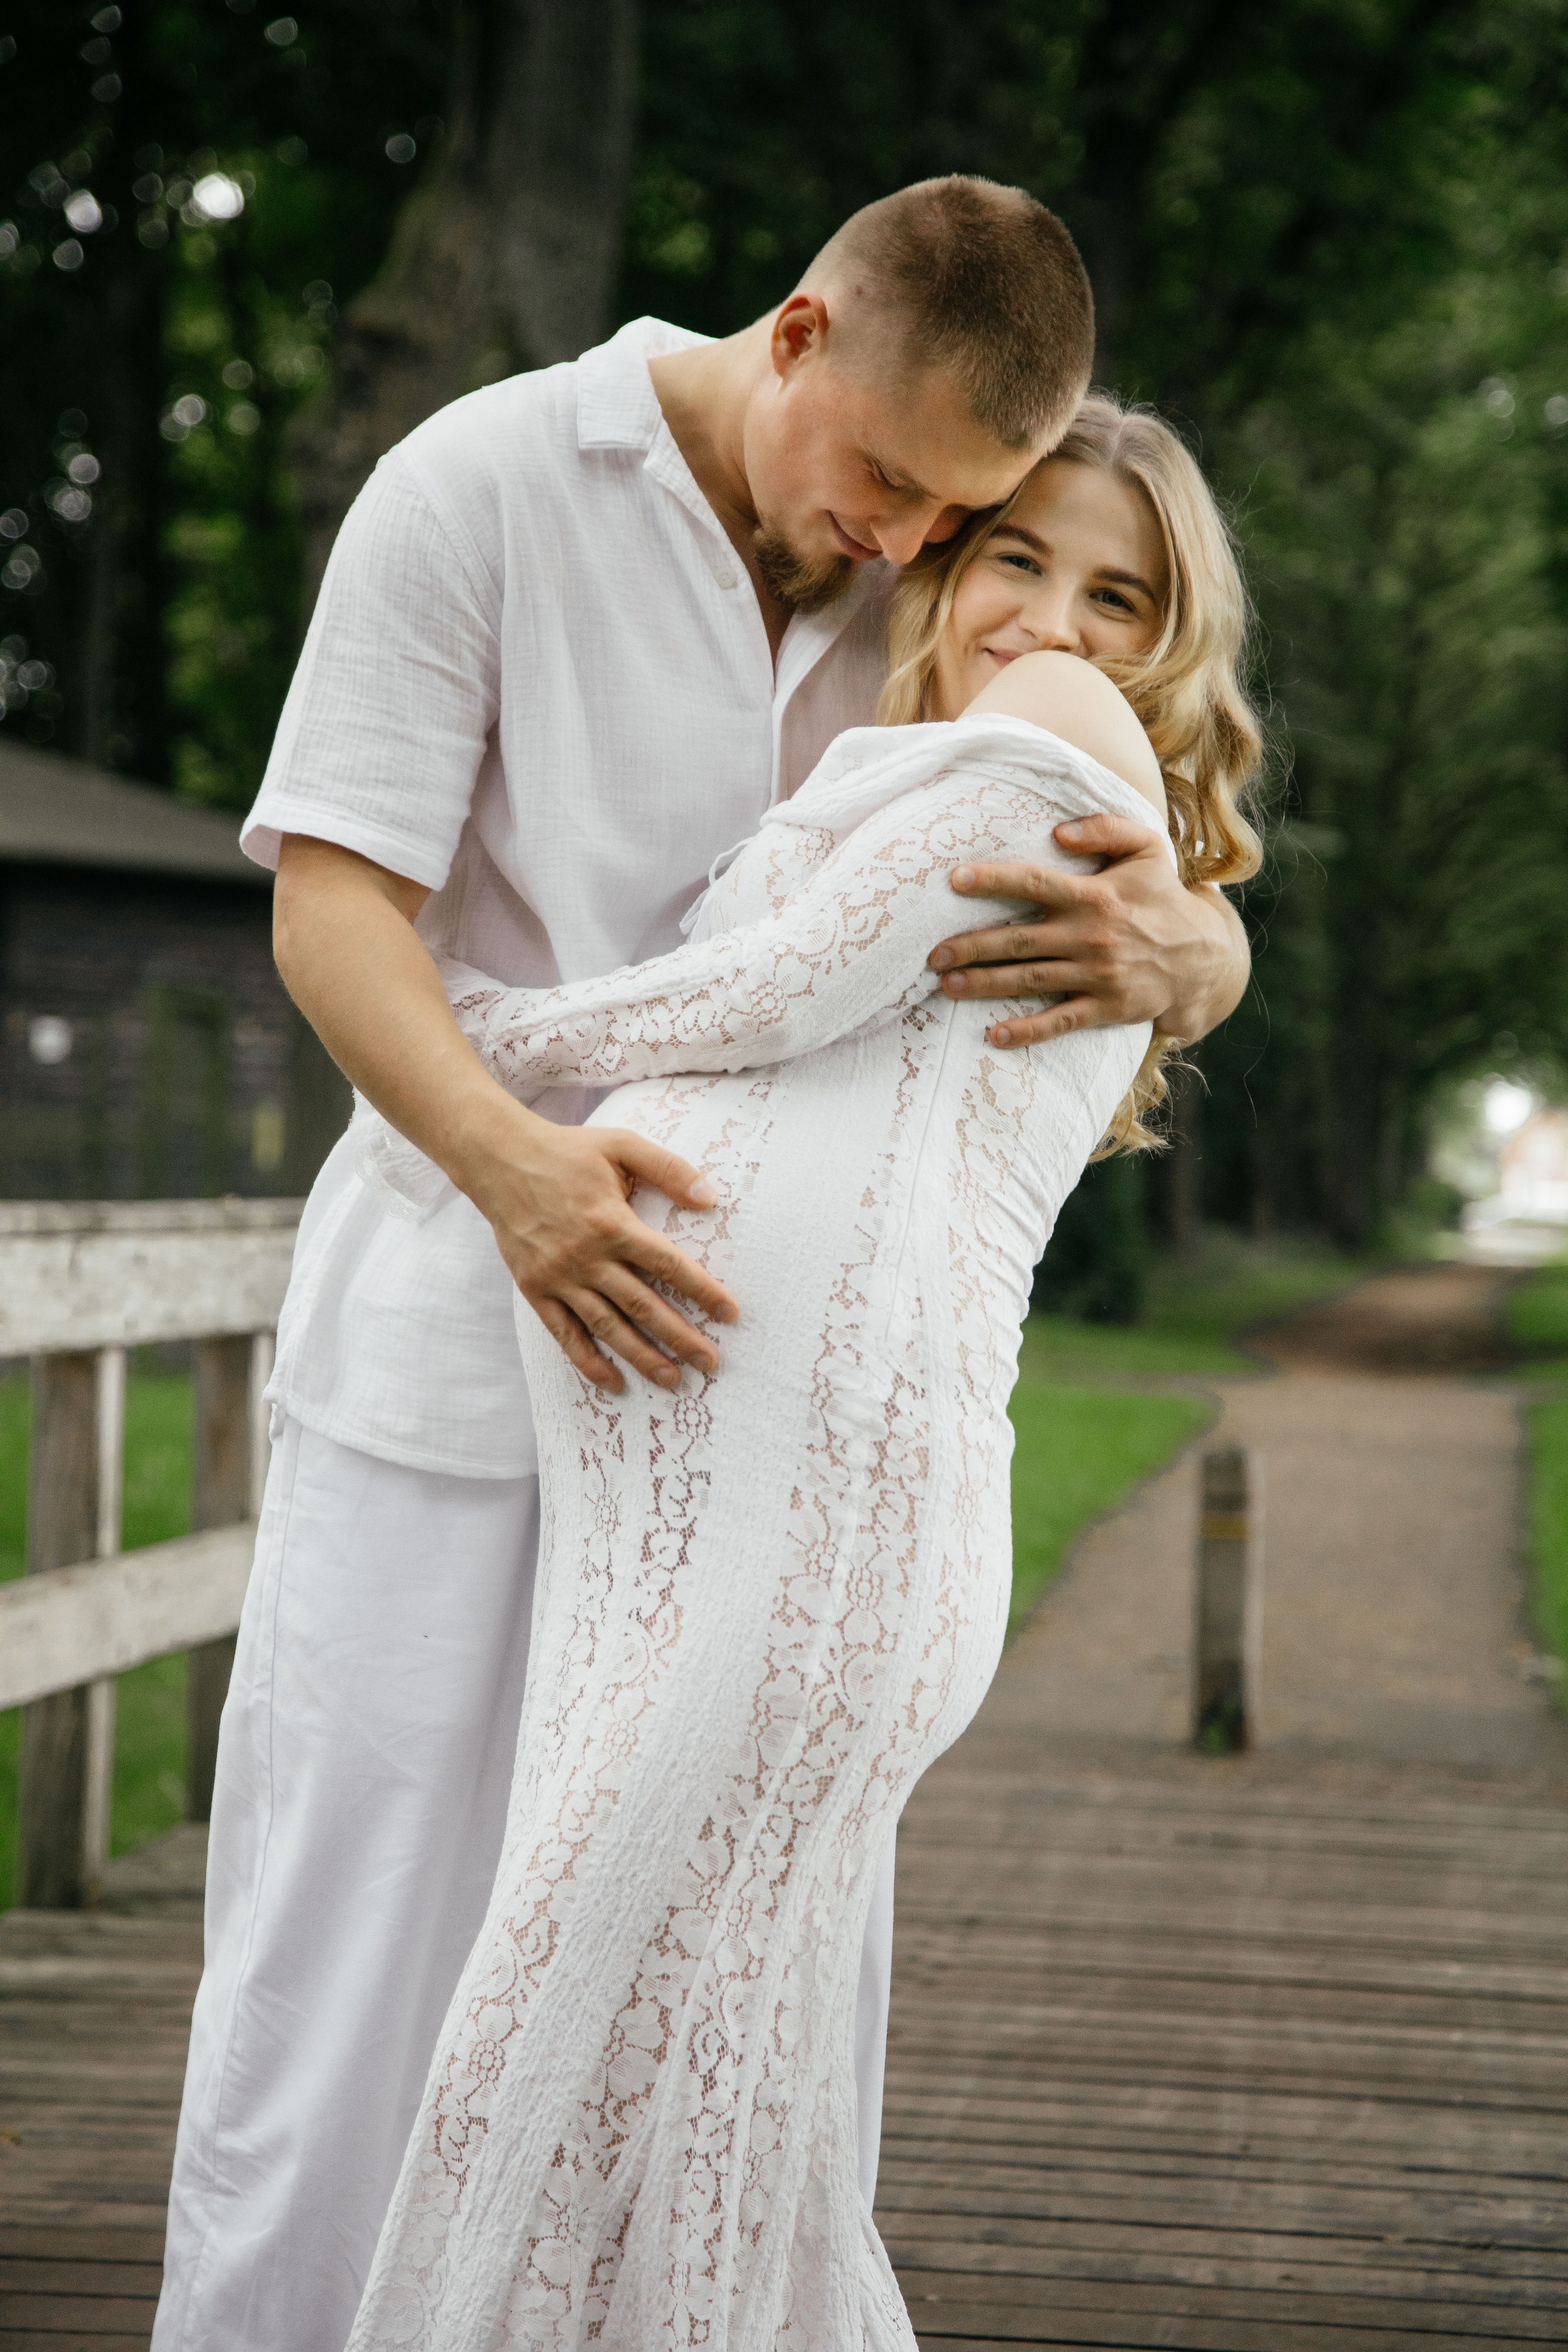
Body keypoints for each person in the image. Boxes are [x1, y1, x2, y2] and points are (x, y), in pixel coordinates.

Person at [153, 179, 1251, 2352]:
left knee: (721, 2027)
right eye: (896, 483)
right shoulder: (477, 484)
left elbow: (1103, 864)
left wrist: (1201, 957)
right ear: (797, 329)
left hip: (743, 1460)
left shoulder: (932, 576)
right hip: (463, 1364)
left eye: (963, 513)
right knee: (352, 1977)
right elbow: (335, 910)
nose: (909, 540)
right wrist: (517, 1172)